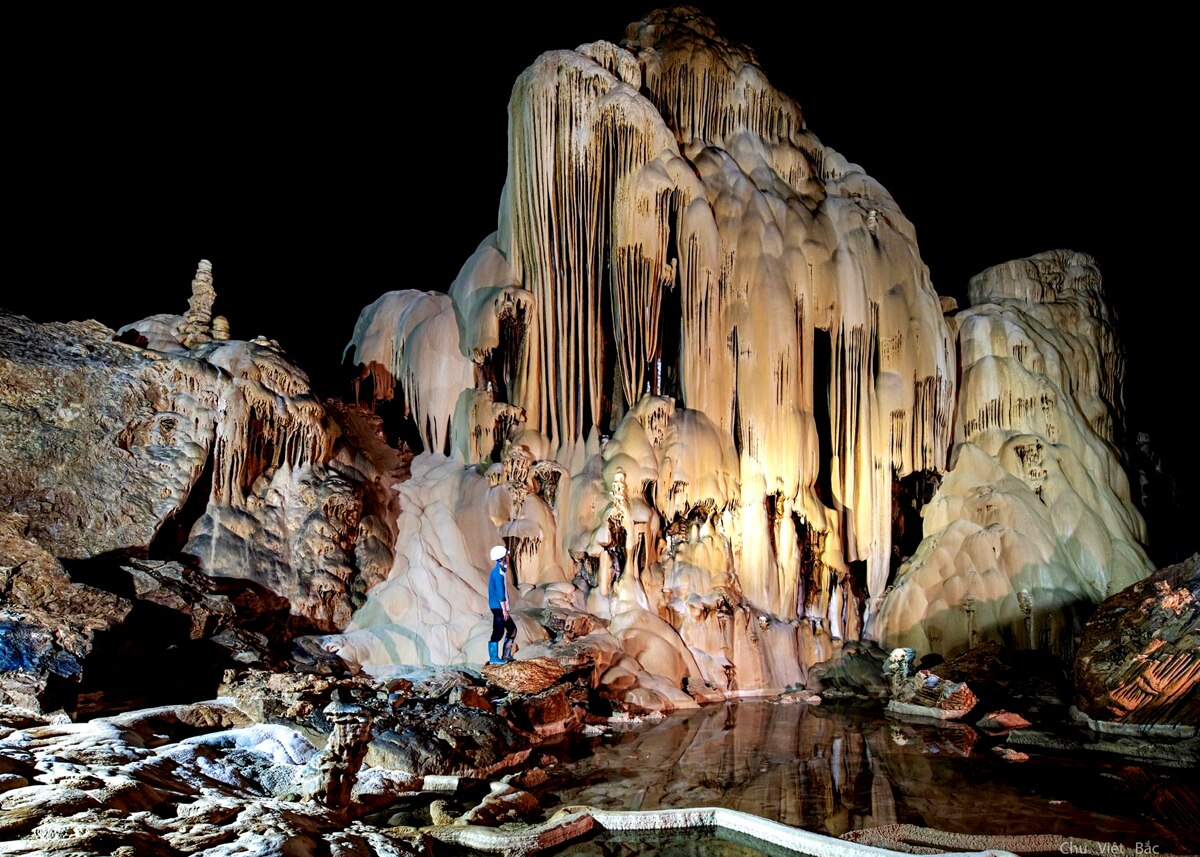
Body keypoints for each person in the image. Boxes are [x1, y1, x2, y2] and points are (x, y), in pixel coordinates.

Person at [487, 544, 517, 664]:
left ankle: (506, 655)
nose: (509, 557)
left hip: (500, 607)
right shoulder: (498, 573)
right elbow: (500, 594)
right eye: (507, 555)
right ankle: (494, 658)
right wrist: (505, 610)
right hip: (498, 607)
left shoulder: (501, 570)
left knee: (512, 629)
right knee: (498, 632)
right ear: (502, 558)